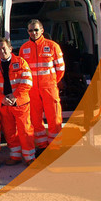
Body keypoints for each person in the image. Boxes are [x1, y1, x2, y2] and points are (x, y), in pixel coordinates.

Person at [19, 19, 65, 152]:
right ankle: (42, 146)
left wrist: (51, 82)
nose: (33, 32)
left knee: (54, 117)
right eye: (30, 30)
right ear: (27, 31)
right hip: (31, 90)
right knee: (35, 119)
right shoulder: (24, 48)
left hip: (49, 88)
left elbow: (60, 69)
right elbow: (22, 71)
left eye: (36, 30)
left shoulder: (52, 46)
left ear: (42, 30)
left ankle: (55, 147)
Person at [0, 38, 35, 166]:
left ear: (10, 48)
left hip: (20, 104)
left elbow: (27, 82)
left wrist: (14, 96)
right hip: (4, 104)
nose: (2, 51)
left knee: (25, 130)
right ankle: (15, 156)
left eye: (4, 48)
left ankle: (30, 157)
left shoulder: (21, 62)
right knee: (9, 132)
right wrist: (1, 98)